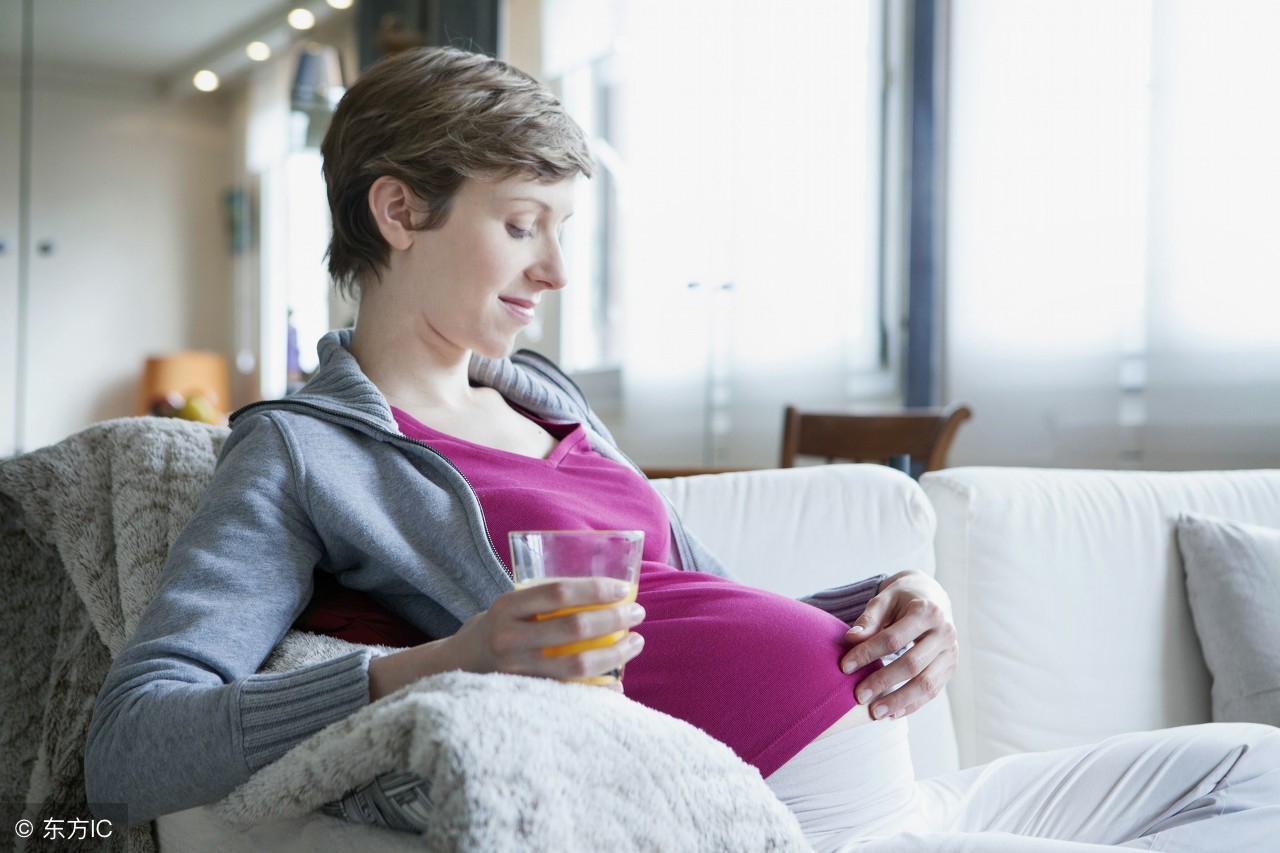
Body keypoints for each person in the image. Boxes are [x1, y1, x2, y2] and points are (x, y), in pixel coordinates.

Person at [87, 47, 1279, 852]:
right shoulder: (304, 453)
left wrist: (887, 603)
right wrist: (445, 658)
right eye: (521, 226)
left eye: (561, 230)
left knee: (1255, 764)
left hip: (901, 791)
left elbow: (696, 605)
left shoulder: (550, 401)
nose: (554, 272)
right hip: (794, 815)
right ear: (400, 212)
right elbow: (132, 747)